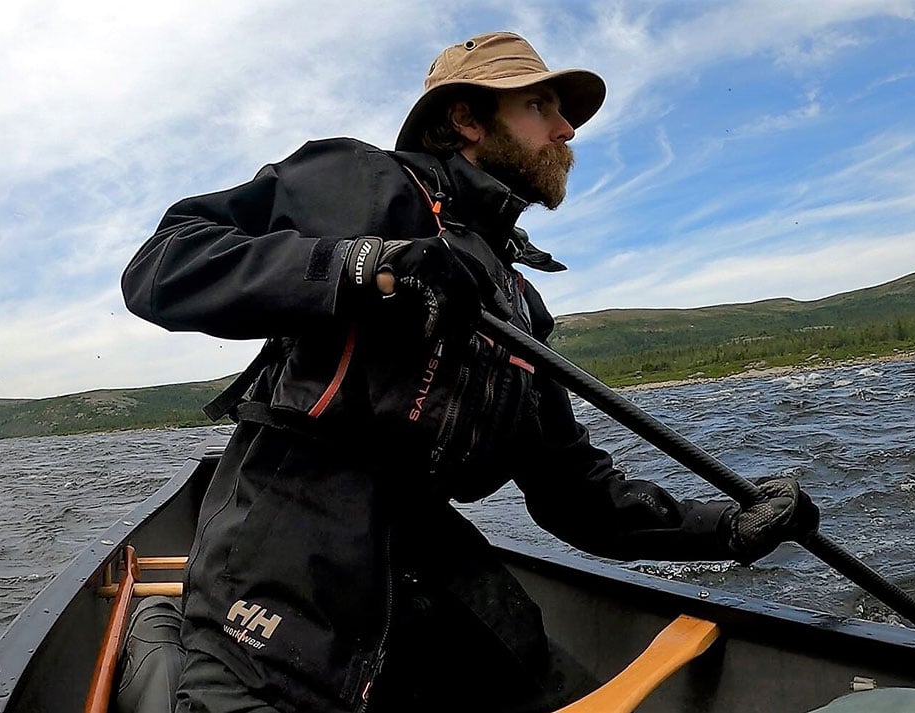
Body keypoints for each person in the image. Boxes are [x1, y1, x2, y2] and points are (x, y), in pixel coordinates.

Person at [121, 31, 820, 713]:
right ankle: (158, 636)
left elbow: (577, 496)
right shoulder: (366, 185)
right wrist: (367, 267)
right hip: (280, 565)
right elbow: (163, 264)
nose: (567, 128)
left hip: (430, 568)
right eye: (541, 107)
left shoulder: (518, 305)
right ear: (465, 118)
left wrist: (726, 526)